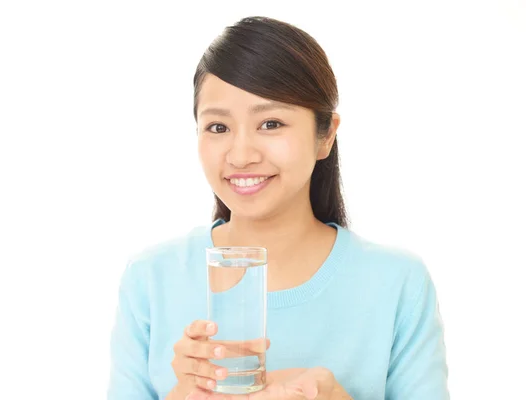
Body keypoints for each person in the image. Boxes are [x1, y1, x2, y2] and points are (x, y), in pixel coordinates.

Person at [107, 16, 449, 400]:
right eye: (218, 127)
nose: (241, 155)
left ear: (326, 136)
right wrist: (182, 395)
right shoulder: (151, 280)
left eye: (270, 123)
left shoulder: (397, 283)